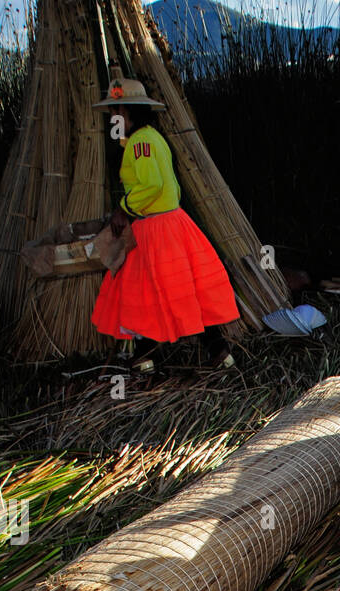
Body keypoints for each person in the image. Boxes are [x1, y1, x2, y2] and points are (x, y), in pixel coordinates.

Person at [91, 77, 239, 372]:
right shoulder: (151, 137)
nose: (112, 117)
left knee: (153, 289)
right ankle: (207, 351)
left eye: (115, 110)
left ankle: (157, 353)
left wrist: (123, 210)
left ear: (129, 110)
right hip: (169, 224)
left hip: (157, 228)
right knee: (168, 289)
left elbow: (153, 185)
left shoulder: (140, 142)